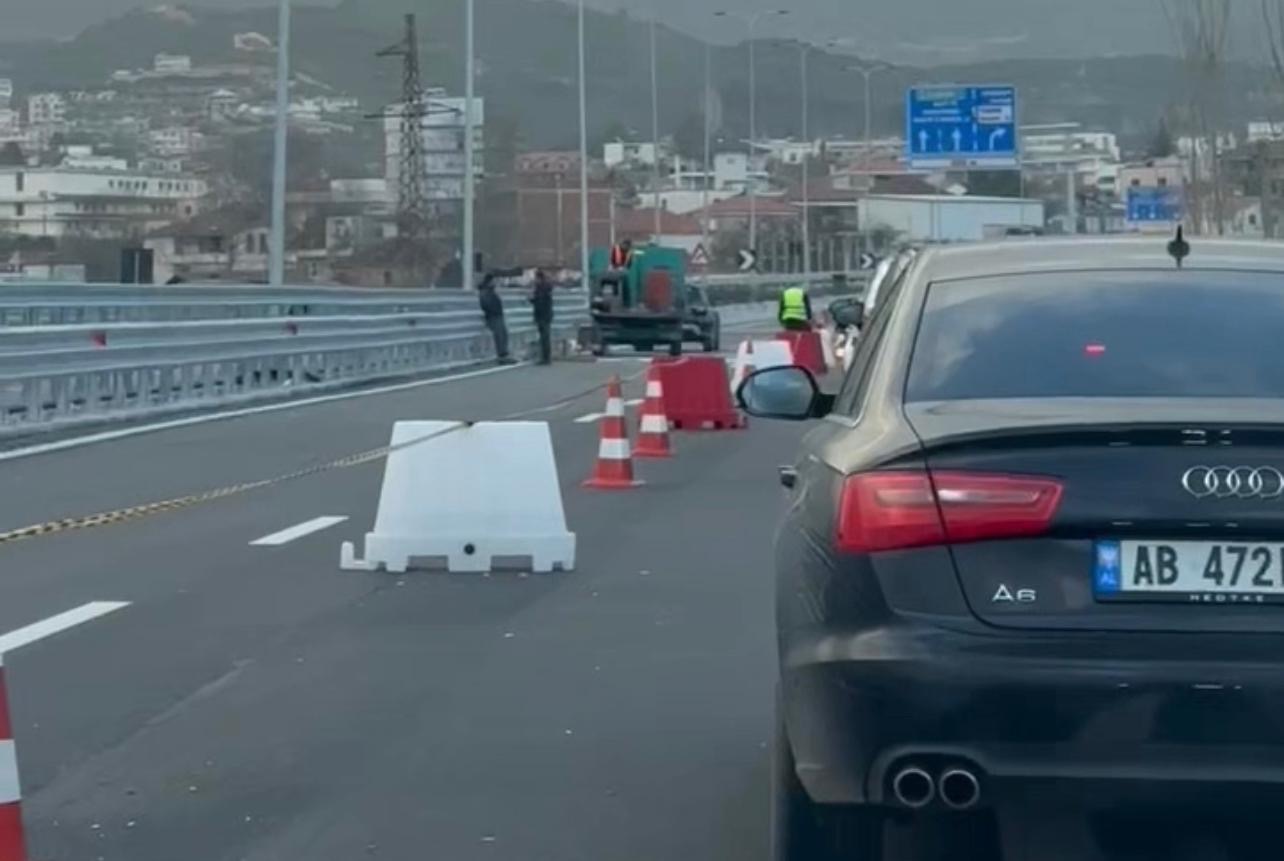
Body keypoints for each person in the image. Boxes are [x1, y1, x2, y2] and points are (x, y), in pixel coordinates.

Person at [478, 273, 516, 365]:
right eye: (493, 281)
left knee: (504, 334)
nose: (495, 283)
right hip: (493, 316)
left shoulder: (491, 291)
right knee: (499, 335)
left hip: (497, 315)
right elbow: (485, 304)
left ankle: (504, 354)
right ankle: (502, 355)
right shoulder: (485, 292)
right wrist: (492, 311)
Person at [529, 269, 555, 365]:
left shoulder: (541, 288)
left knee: (544, 337)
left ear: (539, 278)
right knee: (545, 337)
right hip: (546, 314)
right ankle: (546, 357)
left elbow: (540, 302)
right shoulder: (545, 288)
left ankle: (545, 358)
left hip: (542, 315)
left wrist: (532, 300)